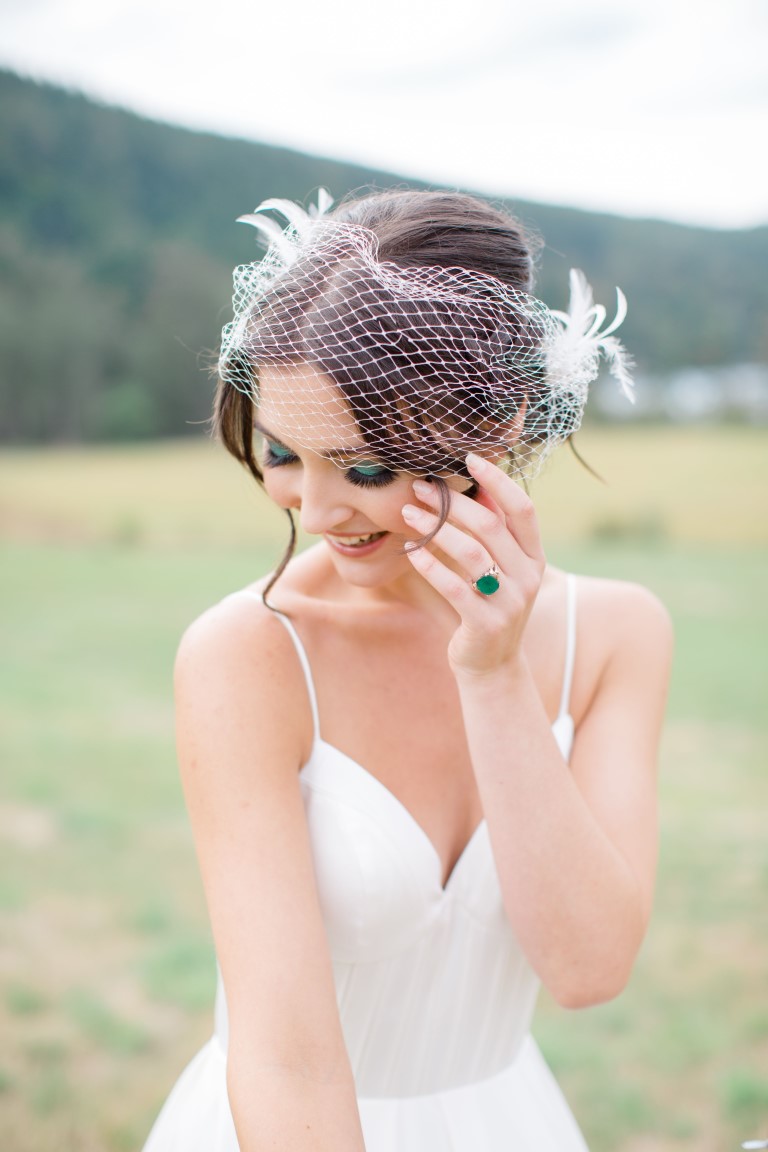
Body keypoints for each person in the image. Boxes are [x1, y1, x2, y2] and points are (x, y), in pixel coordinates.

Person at [142, 188, 672, 1152]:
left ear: (501, 425)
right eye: (282, 453)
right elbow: (285, 1055)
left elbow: (590, 968)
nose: (319, 508)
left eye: (370, 468)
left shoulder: (618, 636)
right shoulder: (248, 655)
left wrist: (494, 674)